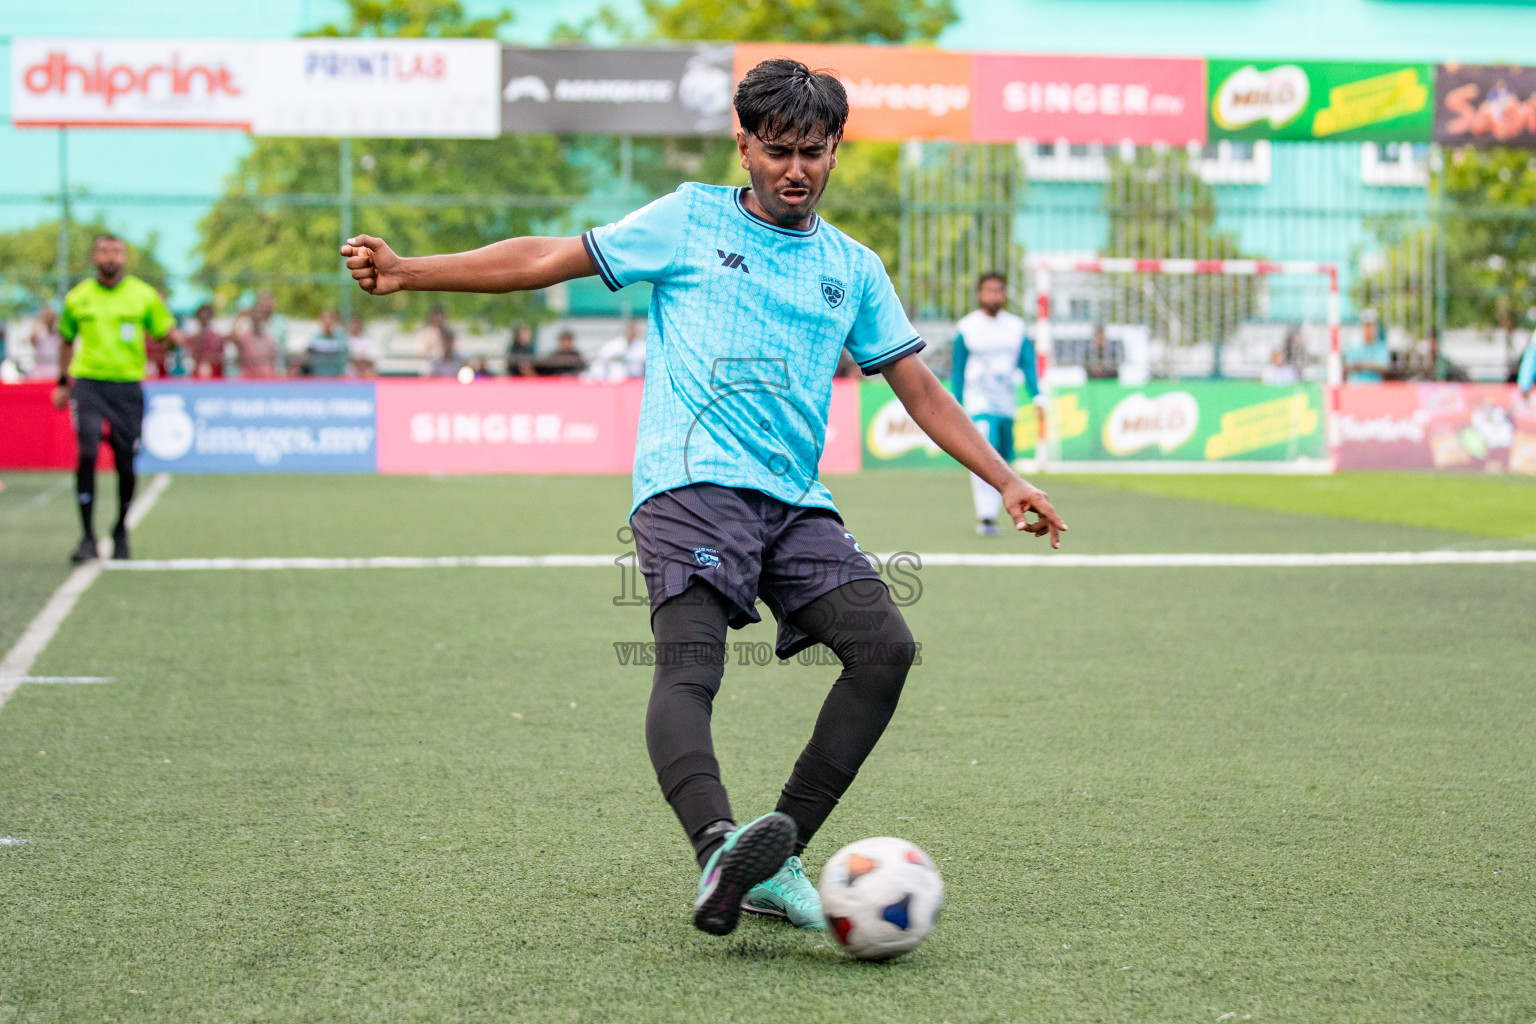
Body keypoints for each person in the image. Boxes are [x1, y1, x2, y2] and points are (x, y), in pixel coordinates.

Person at [340, 57, 1065, 940]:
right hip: (689, 486)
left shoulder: (853, 266)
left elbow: (918, 389)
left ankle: (778, 855)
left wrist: (1007, 478)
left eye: (814, 151)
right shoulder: (686, 219)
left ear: (837, 151)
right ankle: (721, 844)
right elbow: (551, 257)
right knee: (692, 667)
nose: (794, 169)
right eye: (777, 150)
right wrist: (412, 271)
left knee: (885, 649)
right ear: (744, 142)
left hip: (796, 502)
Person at [53, 234, 181, 562]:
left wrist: (172, 340)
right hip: (89, 385)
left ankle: (120, 529)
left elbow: (163, 336)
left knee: (126, 461)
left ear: (124, 259)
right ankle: (87, 538)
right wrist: (63, 381)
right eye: (104, 251)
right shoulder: (78, 298)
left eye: (117, 252)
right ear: (95, 257)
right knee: (88, 449)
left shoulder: (143, 296)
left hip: (127, 387)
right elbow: (66, 340)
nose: (111, 257)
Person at [951, 272, 1038, 536]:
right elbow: (958, 368)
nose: (994, 296)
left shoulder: (1016, 327)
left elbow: (1028, 363)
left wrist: (1037, 394)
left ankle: (995, 512)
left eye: (999, 290)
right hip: (979, 404)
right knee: (983, 455)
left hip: (1006, 404)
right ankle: (986, 515)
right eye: (989, 290)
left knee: (1002, 458)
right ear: (979, 294)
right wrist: (957, 404)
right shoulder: (967, 327)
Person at [302, 309, 349, 378]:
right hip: (317, 376)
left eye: (330, 318)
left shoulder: (341, 337)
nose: (328, 321)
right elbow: (307, 355)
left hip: (337, 376)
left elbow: (345, 357)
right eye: (325, 318)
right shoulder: (313, 338)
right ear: (320, 320)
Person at [1345, 310, 1390, 382]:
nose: (1370, 330)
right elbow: (1349, 365)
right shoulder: (1354, 346)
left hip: (1374, 387)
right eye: (1367, 326)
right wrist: (1370, 365)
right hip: (1356, 386)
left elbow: (1383, 366)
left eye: (1372, 326)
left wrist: (1362, 365)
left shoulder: (1381, 347)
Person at [185, 304, 227, 379]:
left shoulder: (216, 333)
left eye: (207, 315)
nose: (204, 317)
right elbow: (191, 352)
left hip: (216, 371)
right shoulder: (192, 334)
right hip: (198, 371)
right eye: (202, 315)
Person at [29, 306, 64, 381]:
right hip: (40, 368)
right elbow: (32, 339)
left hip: (55, 368)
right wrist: (41, 321)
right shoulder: (39, 332)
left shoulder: (58, 333)